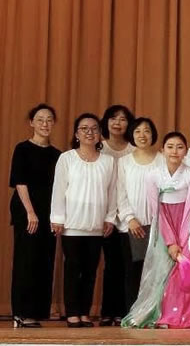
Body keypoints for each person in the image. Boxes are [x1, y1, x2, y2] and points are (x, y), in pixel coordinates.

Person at [121, 132, 190, 328]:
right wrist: (171, 242)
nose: (174, 151)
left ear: (186, 151)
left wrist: (183, 239)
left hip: (187, 228)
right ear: (162, 150)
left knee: (184, 270)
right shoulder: (153, 175)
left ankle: (183, 315)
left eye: (180, 147)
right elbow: (156, 211)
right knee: (160, 272)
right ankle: (159, 314)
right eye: (170, 147)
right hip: (163, 228)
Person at [50, 113, 116, 328]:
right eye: (84, 128)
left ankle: (85, 313)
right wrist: (57, 218)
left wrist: (110, 218)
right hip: (71, 225)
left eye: (94, 128)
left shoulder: (108, 161)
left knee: (90, 272)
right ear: (76, 134)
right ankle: (72, 313)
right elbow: (59, 190)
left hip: (96, 226)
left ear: (100, 133)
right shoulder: (67, 158)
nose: (90, 132)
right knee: (72, 270)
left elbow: (113, 192)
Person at [9, 104, 61, 328]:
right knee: (26, 261)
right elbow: (20, 182)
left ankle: (38, 311)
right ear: (31, 123)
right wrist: (31, 212)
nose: (45, 124)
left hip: (49, 212)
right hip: (27, 210)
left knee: (45, 260)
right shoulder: (22, 149)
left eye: (49, 120)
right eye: (40, 119)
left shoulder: (58, 155)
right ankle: (21, 313)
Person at [116, 117, 164, 315]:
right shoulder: (124, 161)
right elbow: (120, 192)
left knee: (156, 272)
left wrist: (160, 220)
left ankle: (153, 313)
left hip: (158, 225)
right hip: (131, 225)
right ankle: (133, 314)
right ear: (132, 135)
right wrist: (130, 218)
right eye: (137, 131)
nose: (142, 135)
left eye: (147, 131)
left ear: (153, 135)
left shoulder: (162, 159)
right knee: (133, 271)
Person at [99, 104, 136, 326]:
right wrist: (108, 217)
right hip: (102, 216)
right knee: (110, 265)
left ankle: (124, 311)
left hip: (128, 219)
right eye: (113, 118)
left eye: (123, 119)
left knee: (126, 266)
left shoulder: (134, 150)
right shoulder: (98, 148)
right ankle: (107, 311)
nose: (117, 123)